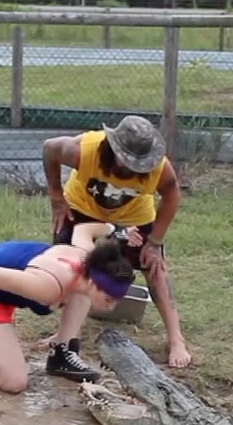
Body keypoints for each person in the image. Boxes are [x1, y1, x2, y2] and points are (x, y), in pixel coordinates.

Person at [40, 114, 191, 384]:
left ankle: (176, 339)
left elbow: (172, 195)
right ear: (114, 148)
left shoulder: (159, 168)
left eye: (141, 164)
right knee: (73, 266)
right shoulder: (84, 150)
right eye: (130, 161)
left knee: (155, 267)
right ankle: (65, 335)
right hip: (81, 209)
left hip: (134, 217)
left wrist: (154, 243)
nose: (137, 168)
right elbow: (49, 148)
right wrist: (55, 195)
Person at [0, 223, 136, 394]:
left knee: (82, 296)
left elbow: (83, 229)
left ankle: (61, 350)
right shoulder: (48, 287)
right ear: (93, 283)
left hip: (9, 264)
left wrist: (118, 230)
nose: (112, 306)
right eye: (108, 299)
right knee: (13, 382)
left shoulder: (89, 258)